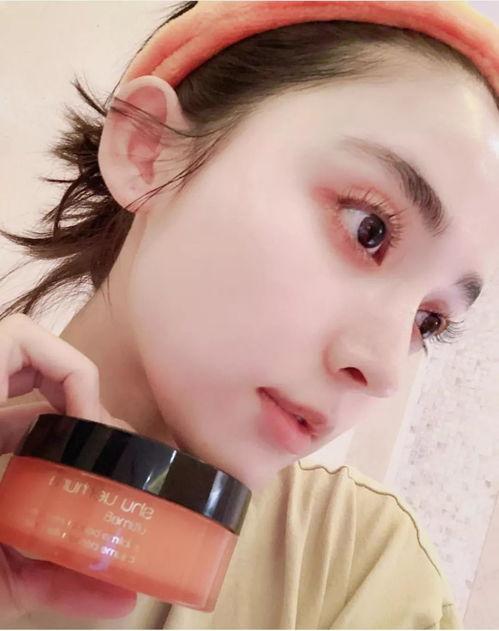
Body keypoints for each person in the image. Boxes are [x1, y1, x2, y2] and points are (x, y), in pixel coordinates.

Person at [0, 0, 498, 628]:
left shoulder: (360, 570)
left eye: (428, 321)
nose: (384, 371)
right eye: (368, 229)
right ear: (147, 150)